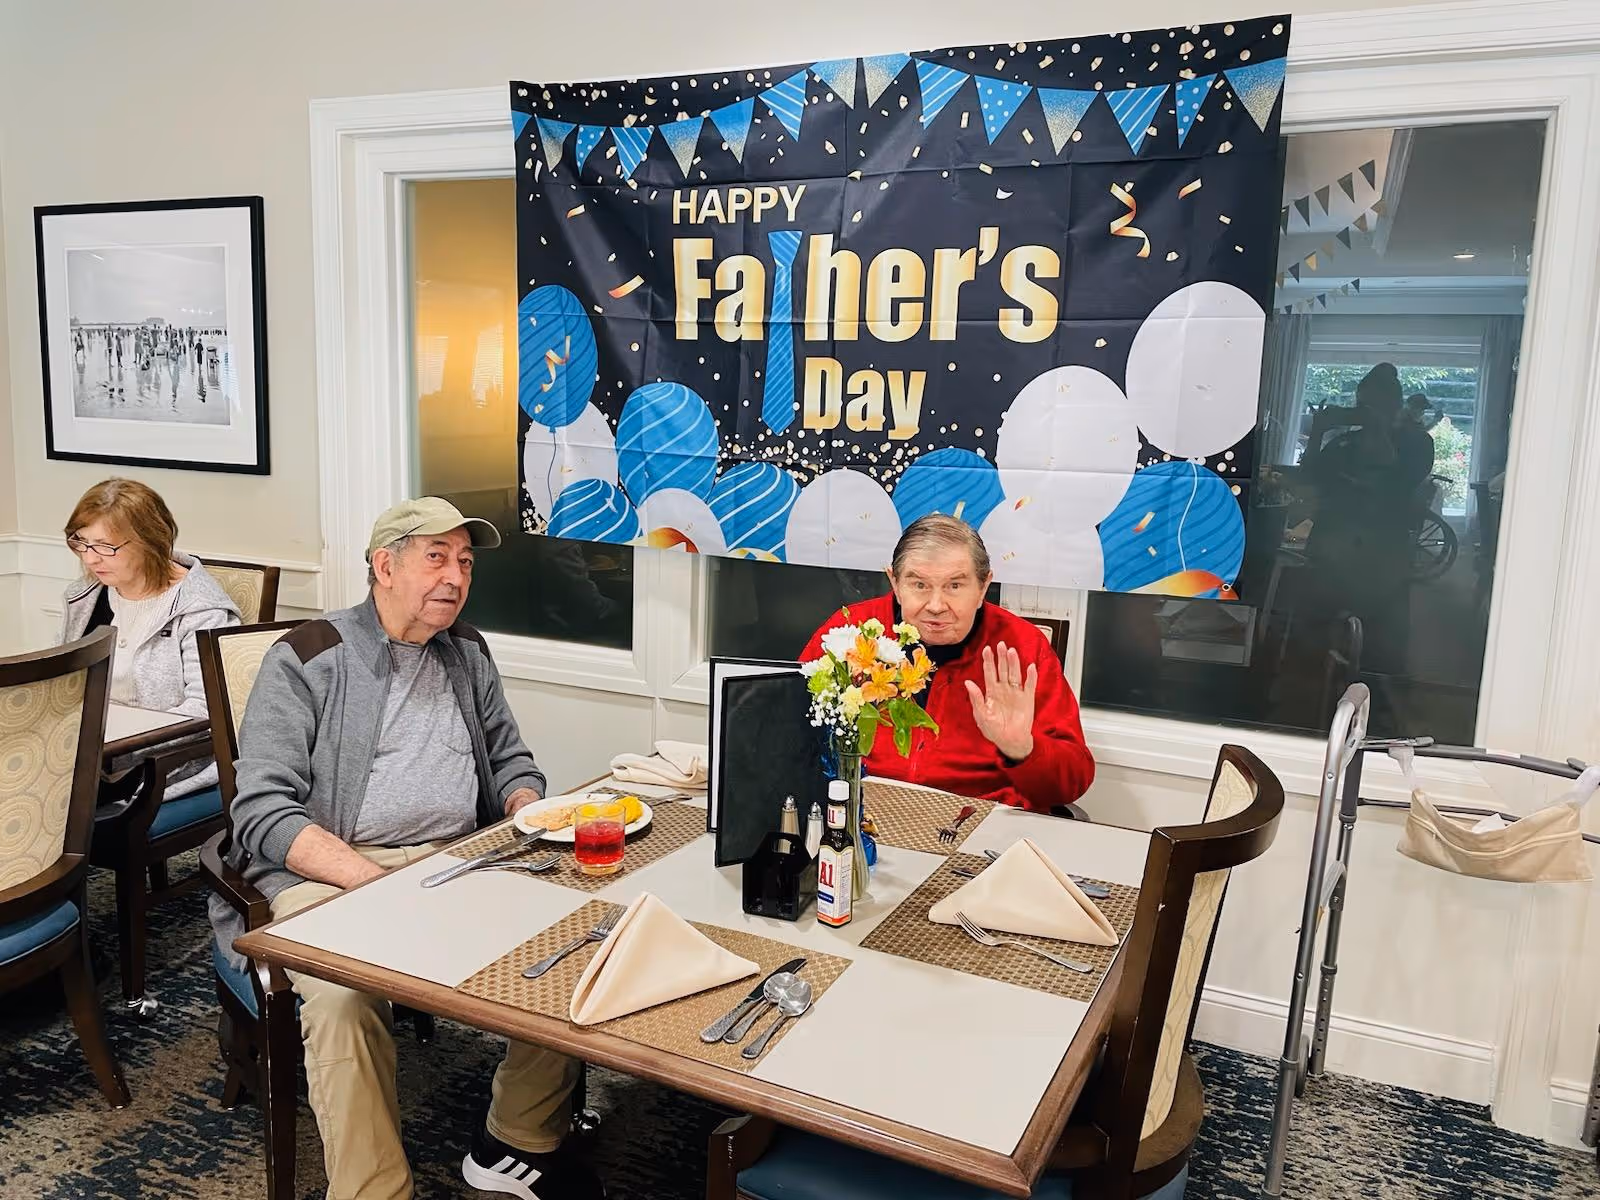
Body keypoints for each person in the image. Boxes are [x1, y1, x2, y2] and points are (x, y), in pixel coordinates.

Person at [216, 497, 603, 1200]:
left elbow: (513, 760)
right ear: (383, 566)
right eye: (436, 558)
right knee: (341, 999)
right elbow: (263, 811)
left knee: (574, 938)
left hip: (457, 857)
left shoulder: (468, 652)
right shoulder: (306, 658)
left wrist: (528, 808)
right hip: (332, 869)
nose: (455, 577)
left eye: (464, 563)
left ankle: (513, 1141)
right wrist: (370, 882)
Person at [800, 514, 1095, 813]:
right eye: (919, 584)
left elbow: (1073, 781)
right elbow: (786, 736)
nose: (937, 606)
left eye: (955, 586)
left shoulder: (1022, 648)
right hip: (862, 815)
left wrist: (1022, 748)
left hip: (983, 820)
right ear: (895, 582)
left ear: (983, 587)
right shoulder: (849, 636)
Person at [60, 478, 240, 797]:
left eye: (105, 546)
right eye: (81, 542)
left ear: (149, 542)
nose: (90, 559)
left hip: (157, 764)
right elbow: (65, 683)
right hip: (83, 753)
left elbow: (206, 711)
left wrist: (113, 744)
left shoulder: (201, 610)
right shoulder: (86, 596)